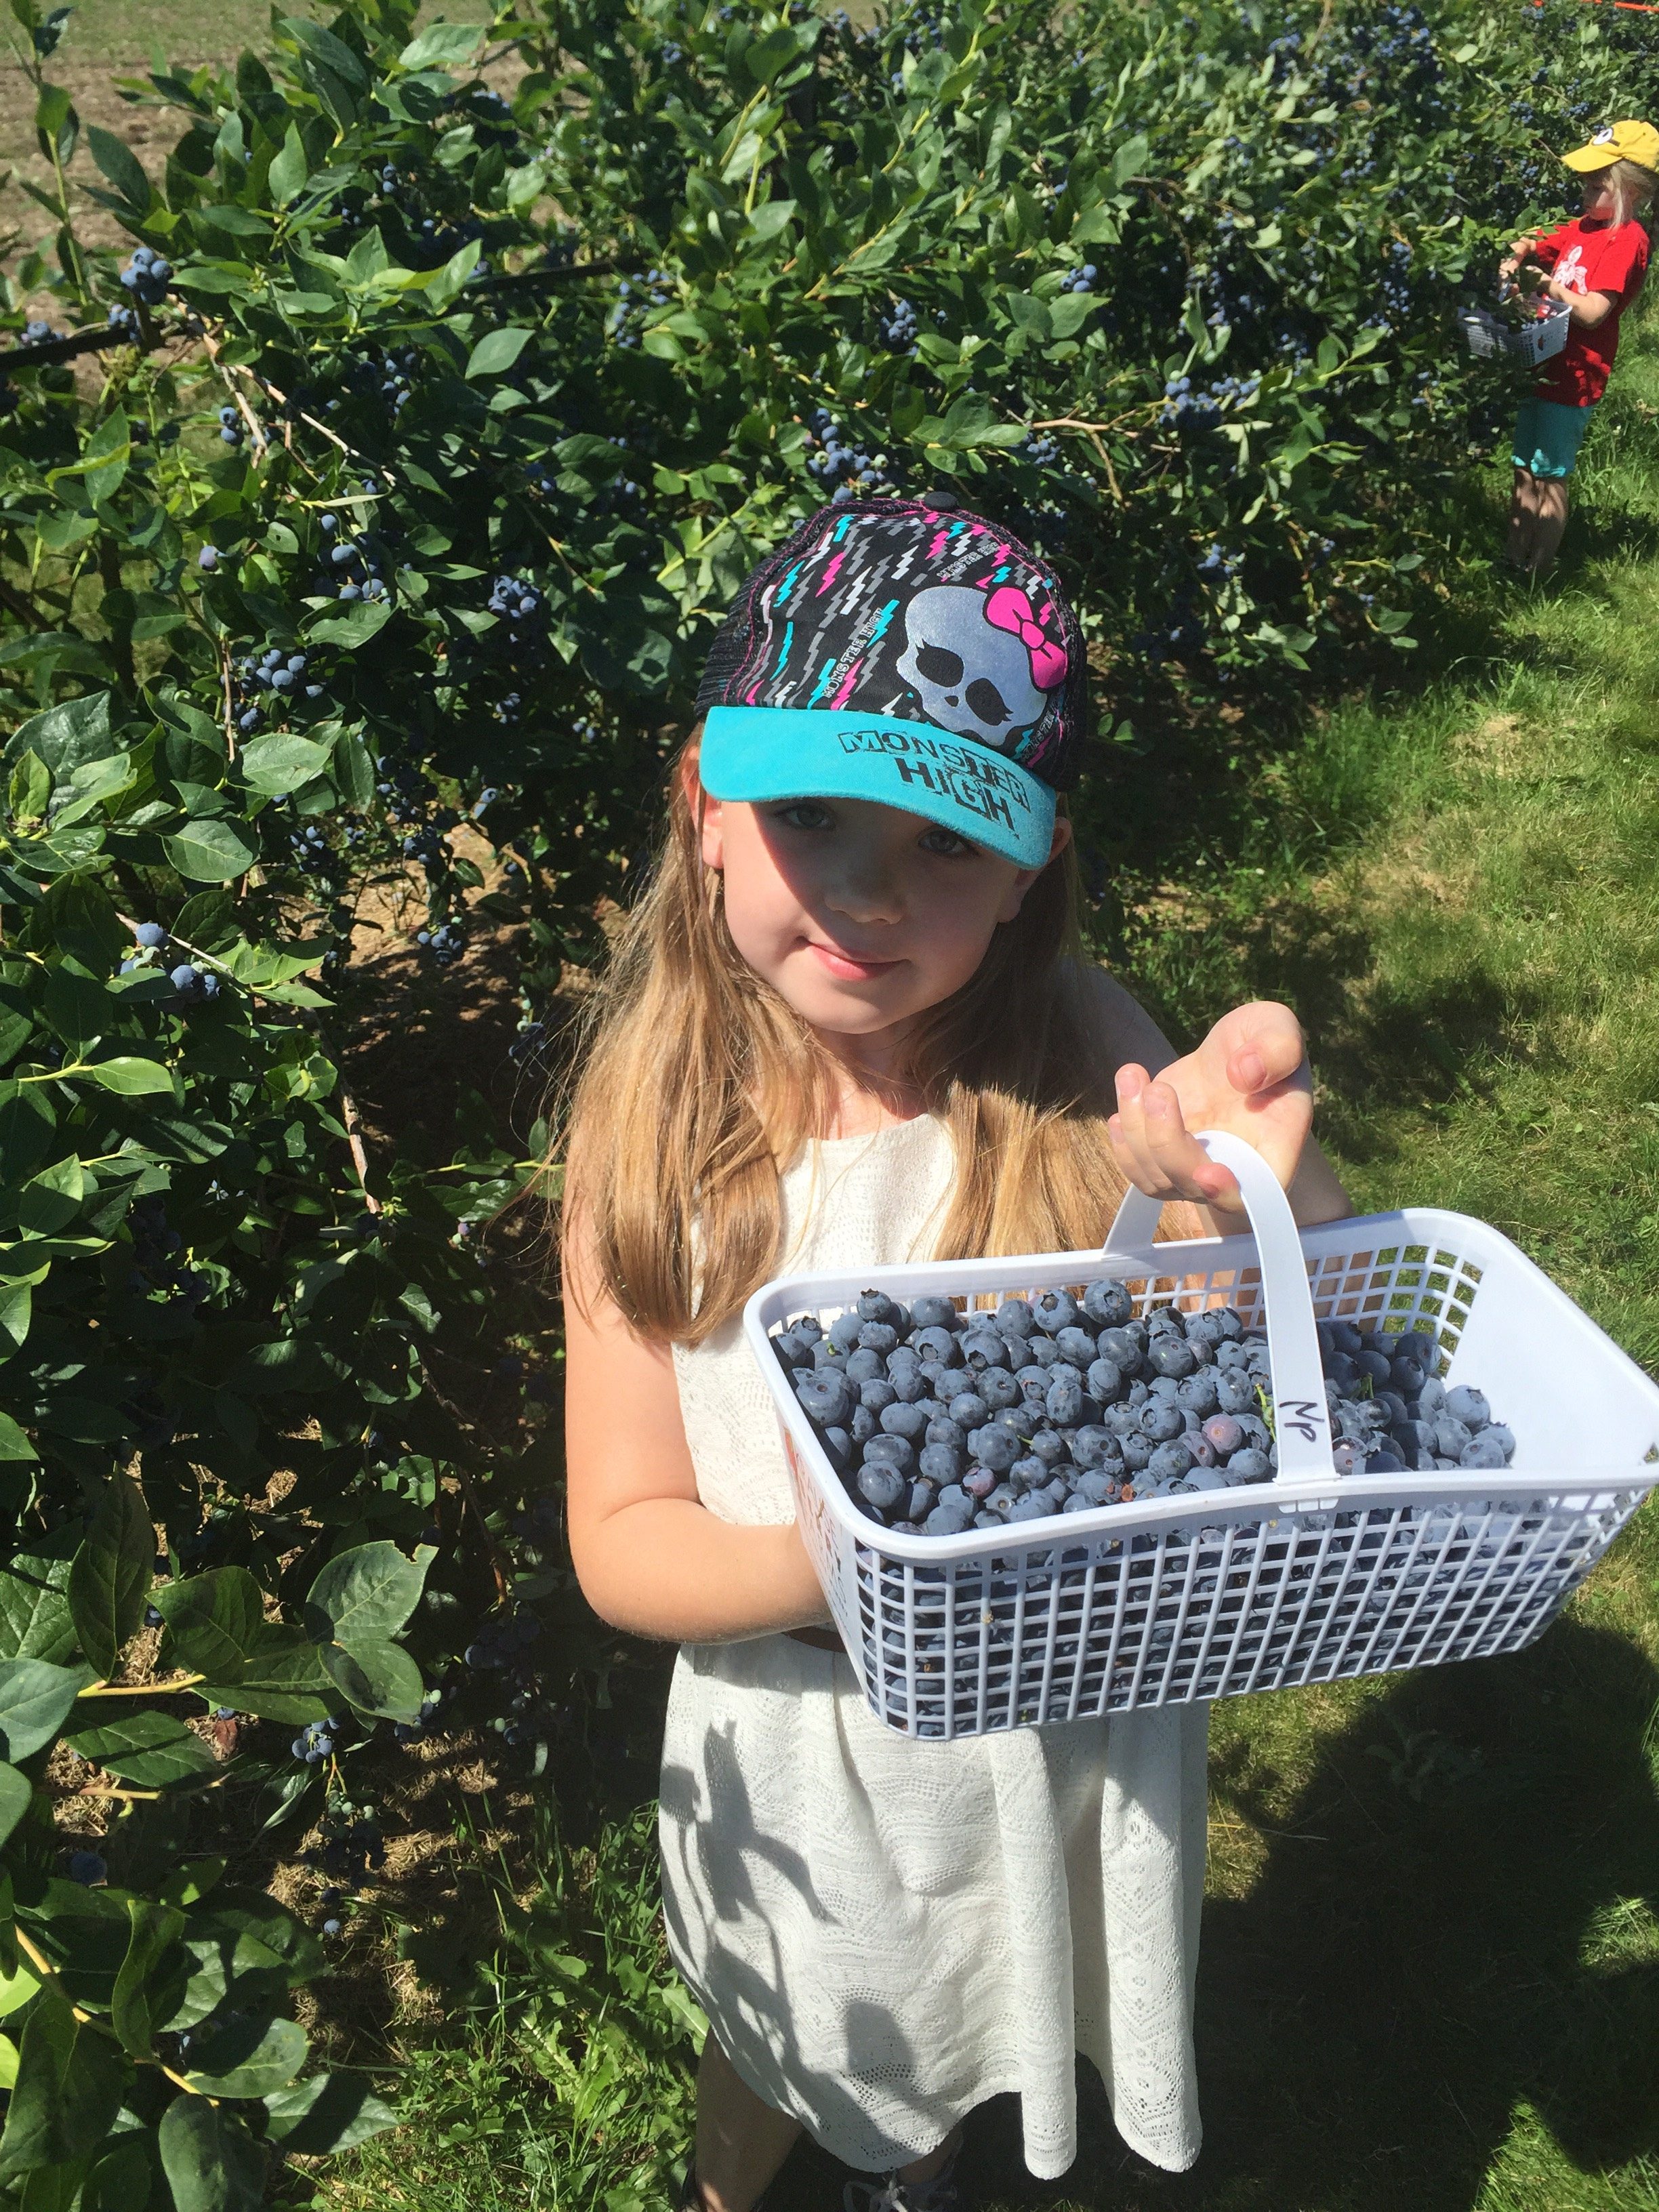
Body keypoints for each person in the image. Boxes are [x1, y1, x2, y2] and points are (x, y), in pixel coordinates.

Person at [560, 496, 1354, 2212]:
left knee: (977, 2032)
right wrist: (863, 1566)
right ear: (704, 804)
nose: (864, 892)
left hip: (1064, 1740)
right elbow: (620, 1539)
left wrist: (1244, 1203)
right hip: (819, 1763)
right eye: (813, 817)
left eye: (943, 844)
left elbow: (1280, 1353)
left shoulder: (1077, 1055)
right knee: (815, 2039)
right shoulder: (652, 1135)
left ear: (1028, 871)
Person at [1502, 119, 1658, 577]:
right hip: (1542, 362)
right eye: (1585, 187)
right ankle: (1512, 559)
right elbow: (1535, 239)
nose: (1586, 196)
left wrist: (1547, 286)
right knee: (1523, 468)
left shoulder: (1627, 241)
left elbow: (1593, 311)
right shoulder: (1581, 227)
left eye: (1597, 187)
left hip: (1577, 376)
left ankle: (1538, 569)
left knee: (1551, 474)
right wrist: (1515, 253)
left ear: (1631, 190)